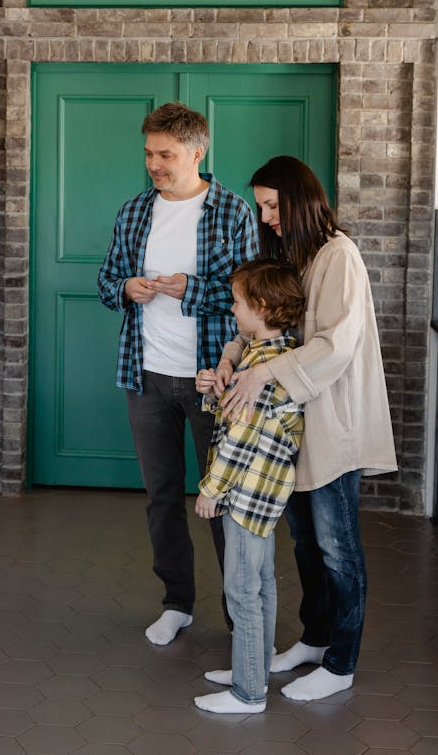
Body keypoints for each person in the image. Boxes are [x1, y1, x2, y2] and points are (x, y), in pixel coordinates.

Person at [215, 156, 397, 701]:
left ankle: (341, 663)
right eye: (262, 205)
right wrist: (232, 355)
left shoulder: (339, 255)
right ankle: (315, 640)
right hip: (292, 422)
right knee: (305, 543)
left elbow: (335, 344)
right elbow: (270, 321)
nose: (266, 216)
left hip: (332, 422)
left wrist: (262, 372)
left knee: (338, 547)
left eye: (273, 205)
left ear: (299, 200)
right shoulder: (300, 255)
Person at [97, 102, 258, 645]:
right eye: (149, 153)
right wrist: (126, 288)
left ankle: (242, 616)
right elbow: (106, 280)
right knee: (161, 495)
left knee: (223, 500)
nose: (154, 164)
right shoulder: (134, 211)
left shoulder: (233, 211)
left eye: (165, 154)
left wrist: (190, 289)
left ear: (197, 152)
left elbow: (252, 299)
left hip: (214, 378)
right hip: (145, 374)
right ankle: (177, 602)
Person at [193, 259, 306, 714]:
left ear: (260, 307)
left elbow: (238, 439)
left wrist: (210, 490)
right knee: (260, 583)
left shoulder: (261, 369)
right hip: (268, 491)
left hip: (244, 493)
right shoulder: (278, 356)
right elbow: (238, 414)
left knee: (241, 589)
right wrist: (212, 388)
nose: (233, 311)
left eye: (238, 303)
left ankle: (249, 693)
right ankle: (251, 668)